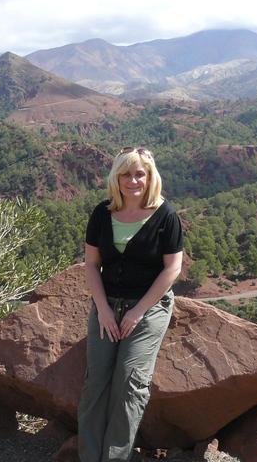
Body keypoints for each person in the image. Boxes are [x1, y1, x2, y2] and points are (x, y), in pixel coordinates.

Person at [78, 147, 184, 462]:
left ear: (150, 177)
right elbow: (90, 265)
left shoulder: (166, 215)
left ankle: (114, 458)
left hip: (148, 308)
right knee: (96, 380)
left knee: (129, 379)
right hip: (107, 305)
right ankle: (89, 457)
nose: (132, 180)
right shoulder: (102, 212)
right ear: (116, 177)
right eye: (125, 173)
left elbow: (172, 269)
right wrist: (104, 311)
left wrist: (139, 312)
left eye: (140, 173)